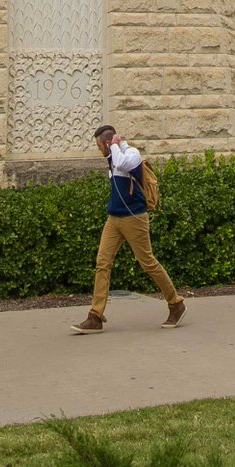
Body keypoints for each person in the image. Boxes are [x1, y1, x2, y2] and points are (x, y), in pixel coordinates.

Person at [71, 124, 186, 334]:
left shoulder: (131, 153)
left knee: (148, 263)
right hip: (114, 219)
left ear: (108, 143)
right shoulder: (111, 157)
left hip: (134, 219)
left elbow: (123, 164)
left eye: (100, 145)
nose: (99, 150)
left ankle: (176, 303)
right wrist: (112, 148)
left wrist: (115, 145)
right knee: (102, 263)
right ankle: (95, 316)